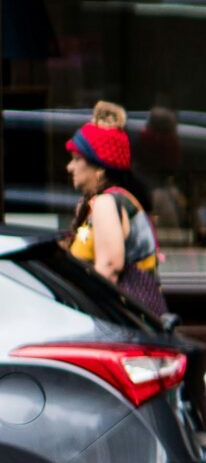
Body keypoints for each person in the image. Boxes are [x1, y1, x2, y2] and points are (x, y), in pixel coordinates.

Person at [61, 120, 167, 316]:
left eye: (77, 159)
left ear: (100, 169)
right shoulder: (100, 204)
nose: (69, 167)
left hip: (119, 325)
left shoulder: (106, 203)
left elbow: (108, 270)